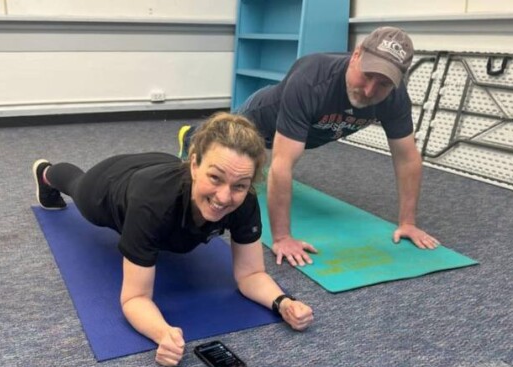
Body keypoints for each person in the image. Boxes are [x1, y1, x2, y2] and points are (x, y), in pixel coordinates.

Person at [32, 112, 314, 367]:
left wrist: (283, 303)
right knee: (77, 185)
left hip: (160, 169)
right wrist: (162, 333)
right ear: (194, 165)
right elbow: (134, 297)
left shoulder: (244, 201)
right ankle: (45, 172)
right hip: (109, 187)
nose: (225, 197)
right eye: (215, 178)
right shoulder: (152, 205)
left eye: (239, 186)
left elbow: (251, 274)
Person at [178, 26, 439, 267]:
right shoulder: (312, 78)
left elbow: (407, 159)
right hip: (262, 116)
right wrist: (282, 237)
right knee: (218, 142)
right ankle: (190, 136)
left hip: (309, 132)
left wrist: (408, 223)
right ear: (356, 55)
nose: (370, 90)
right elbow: (281, 165)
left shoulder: (394, 97)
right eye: (367, 75)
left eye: (383, 83)